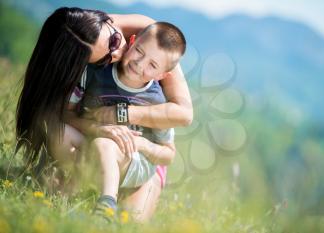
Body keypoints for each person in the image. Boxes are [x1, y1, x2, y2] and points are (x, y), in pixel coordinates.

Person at [16, 7, 192, 222]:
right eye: (102, 60)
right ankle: (88, 187)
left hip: (138, 157)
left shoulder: (152, 35)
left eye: (114, 42)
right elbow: (60, 117)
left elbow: (183, 115)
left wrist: (120, 114)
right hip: (89, 141)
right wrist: (97, 127)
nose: (117, 55)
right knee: (54, 194)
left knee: (129, 221)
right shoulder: (90, 72)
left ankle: (109, 195)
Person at [71, 21, 186, 216]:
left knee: (106, 145)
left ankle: (106, 204)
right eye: (139, 51)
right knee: (61, 133)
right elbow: (67, 115)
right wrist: (96, 127)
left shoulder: (157, 102)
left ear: (162, 75)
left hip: (134, 162)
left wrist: (141, 143)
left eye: (152, 65)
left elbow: (169, 155)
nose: (139, 64)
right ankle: (68, 189)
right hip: (89, 142)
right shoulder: (100, 71)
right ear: (131, 42)